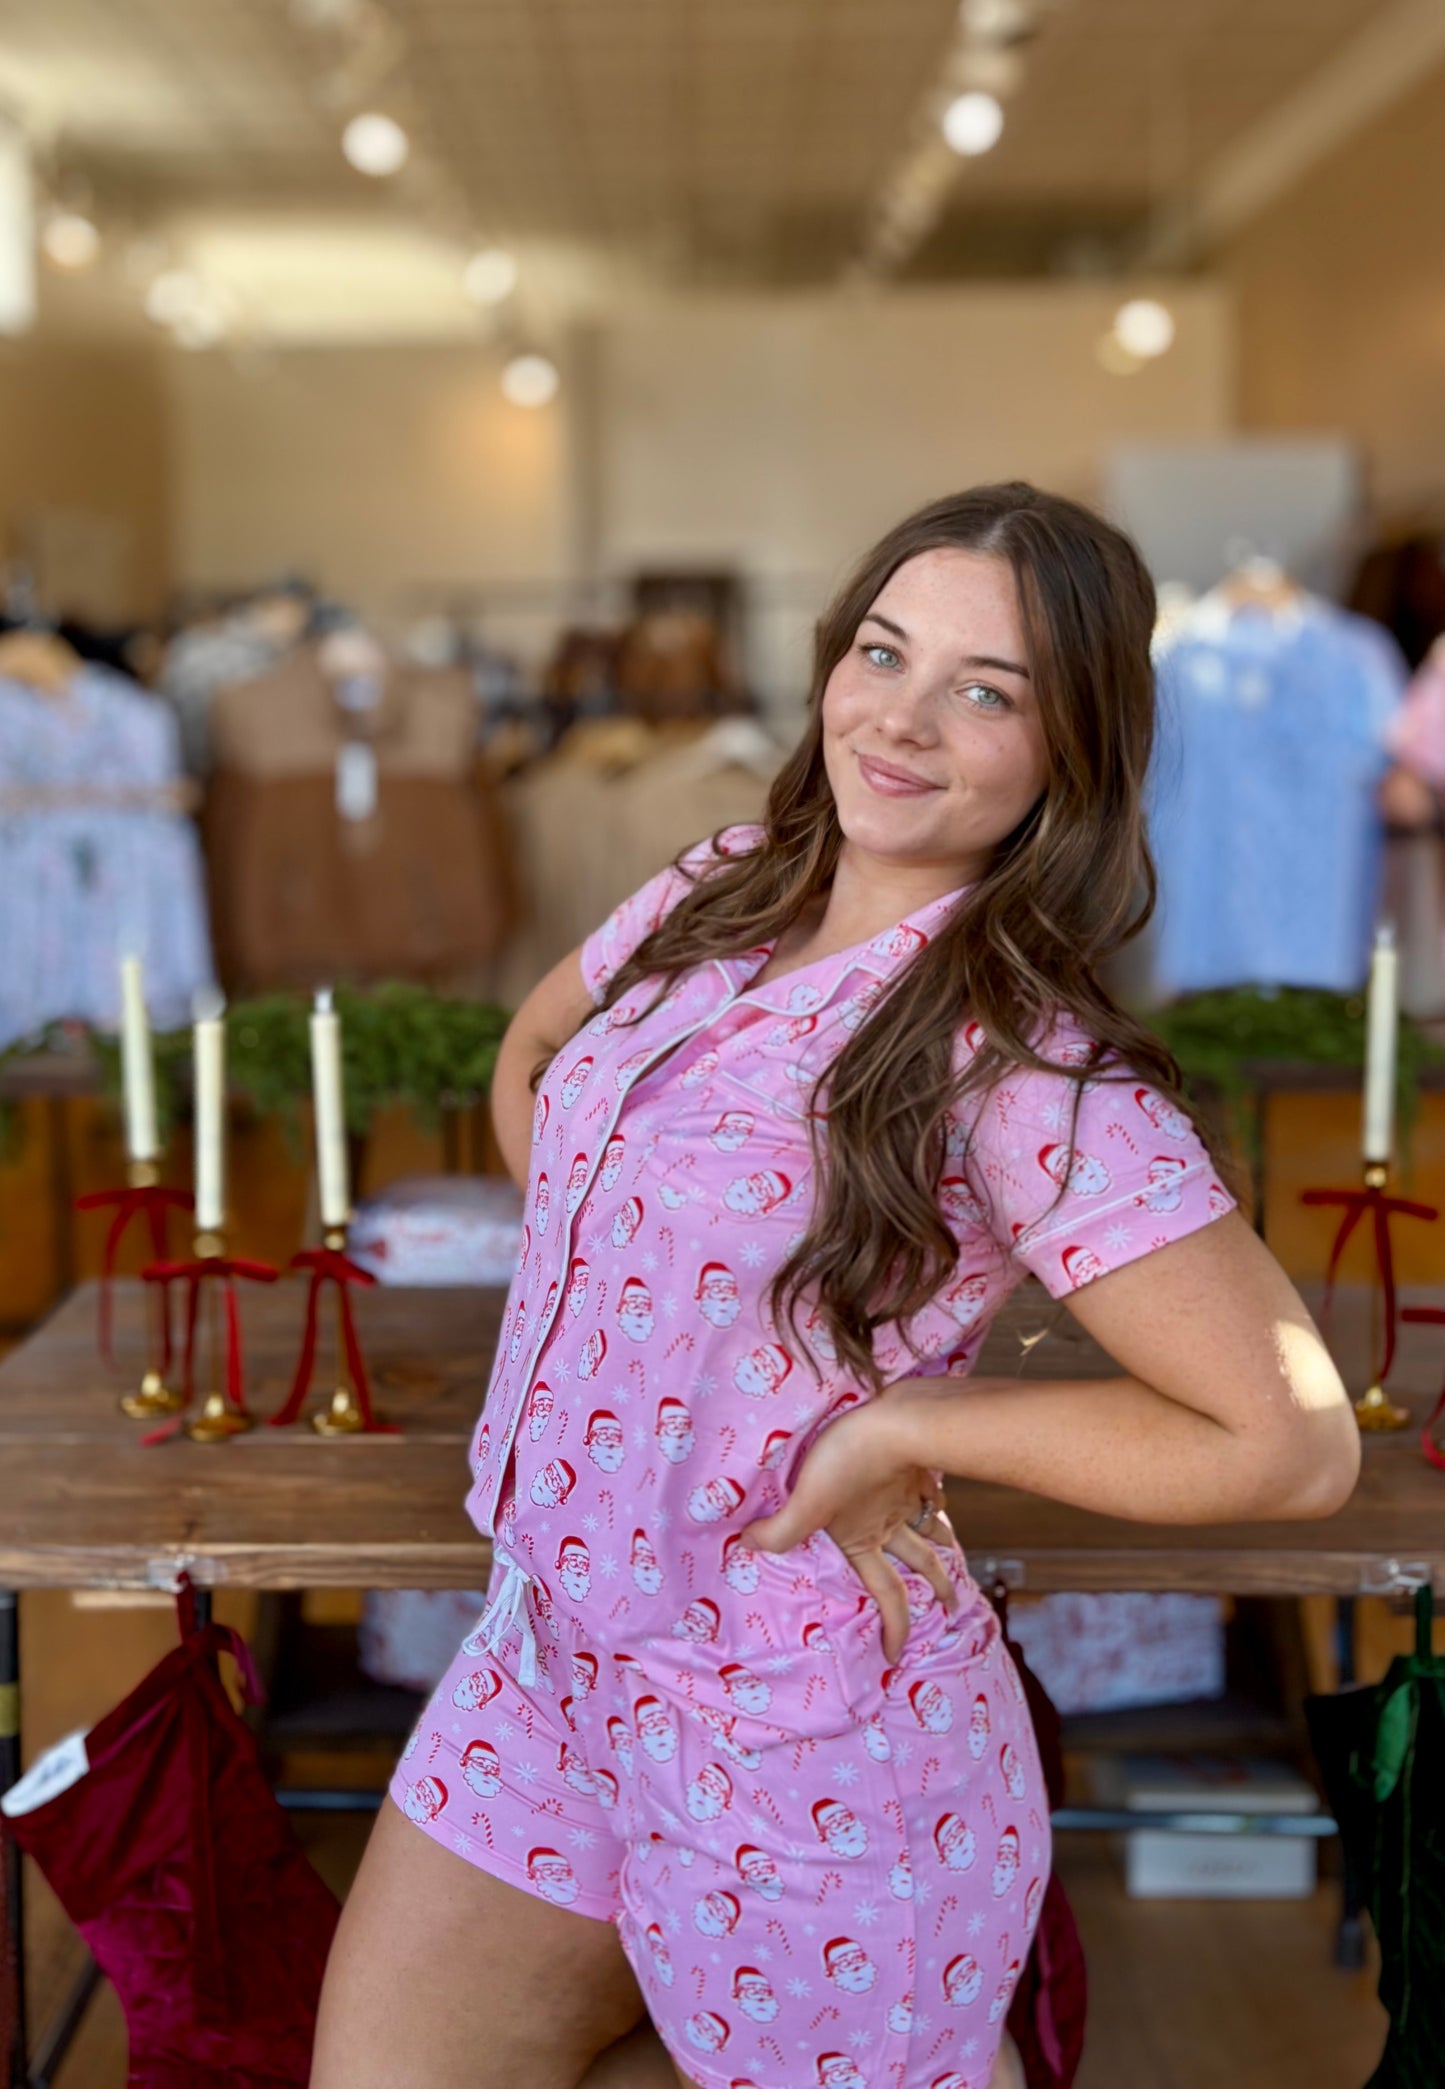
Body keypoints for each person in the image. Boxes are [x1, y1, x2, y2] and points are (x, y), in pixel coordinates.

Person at [311, 483, 1361, 2089]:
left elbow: (1285, 1439)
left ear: (1070, 755)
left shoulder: (1023, 1060)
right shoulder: (722, 881)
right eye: (883, 651)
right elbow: (534, 1055)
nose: (904, 717)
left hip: (801, 1738)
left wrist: (909, 1421)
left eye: (984, 690)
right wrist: (631, 1275)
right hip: (544, 1657)